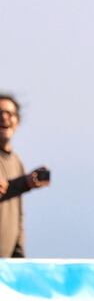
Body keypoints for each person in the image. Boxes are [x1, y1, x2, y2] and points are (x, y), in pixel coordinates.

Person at [0, 94, 50, 258]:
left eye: (10, 114)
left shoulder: (16, 161)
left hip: (6, 265)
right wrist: (25, 183)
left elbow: (17, 213)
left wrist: (19, 256)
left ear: (17, 122)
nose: (4, 117)